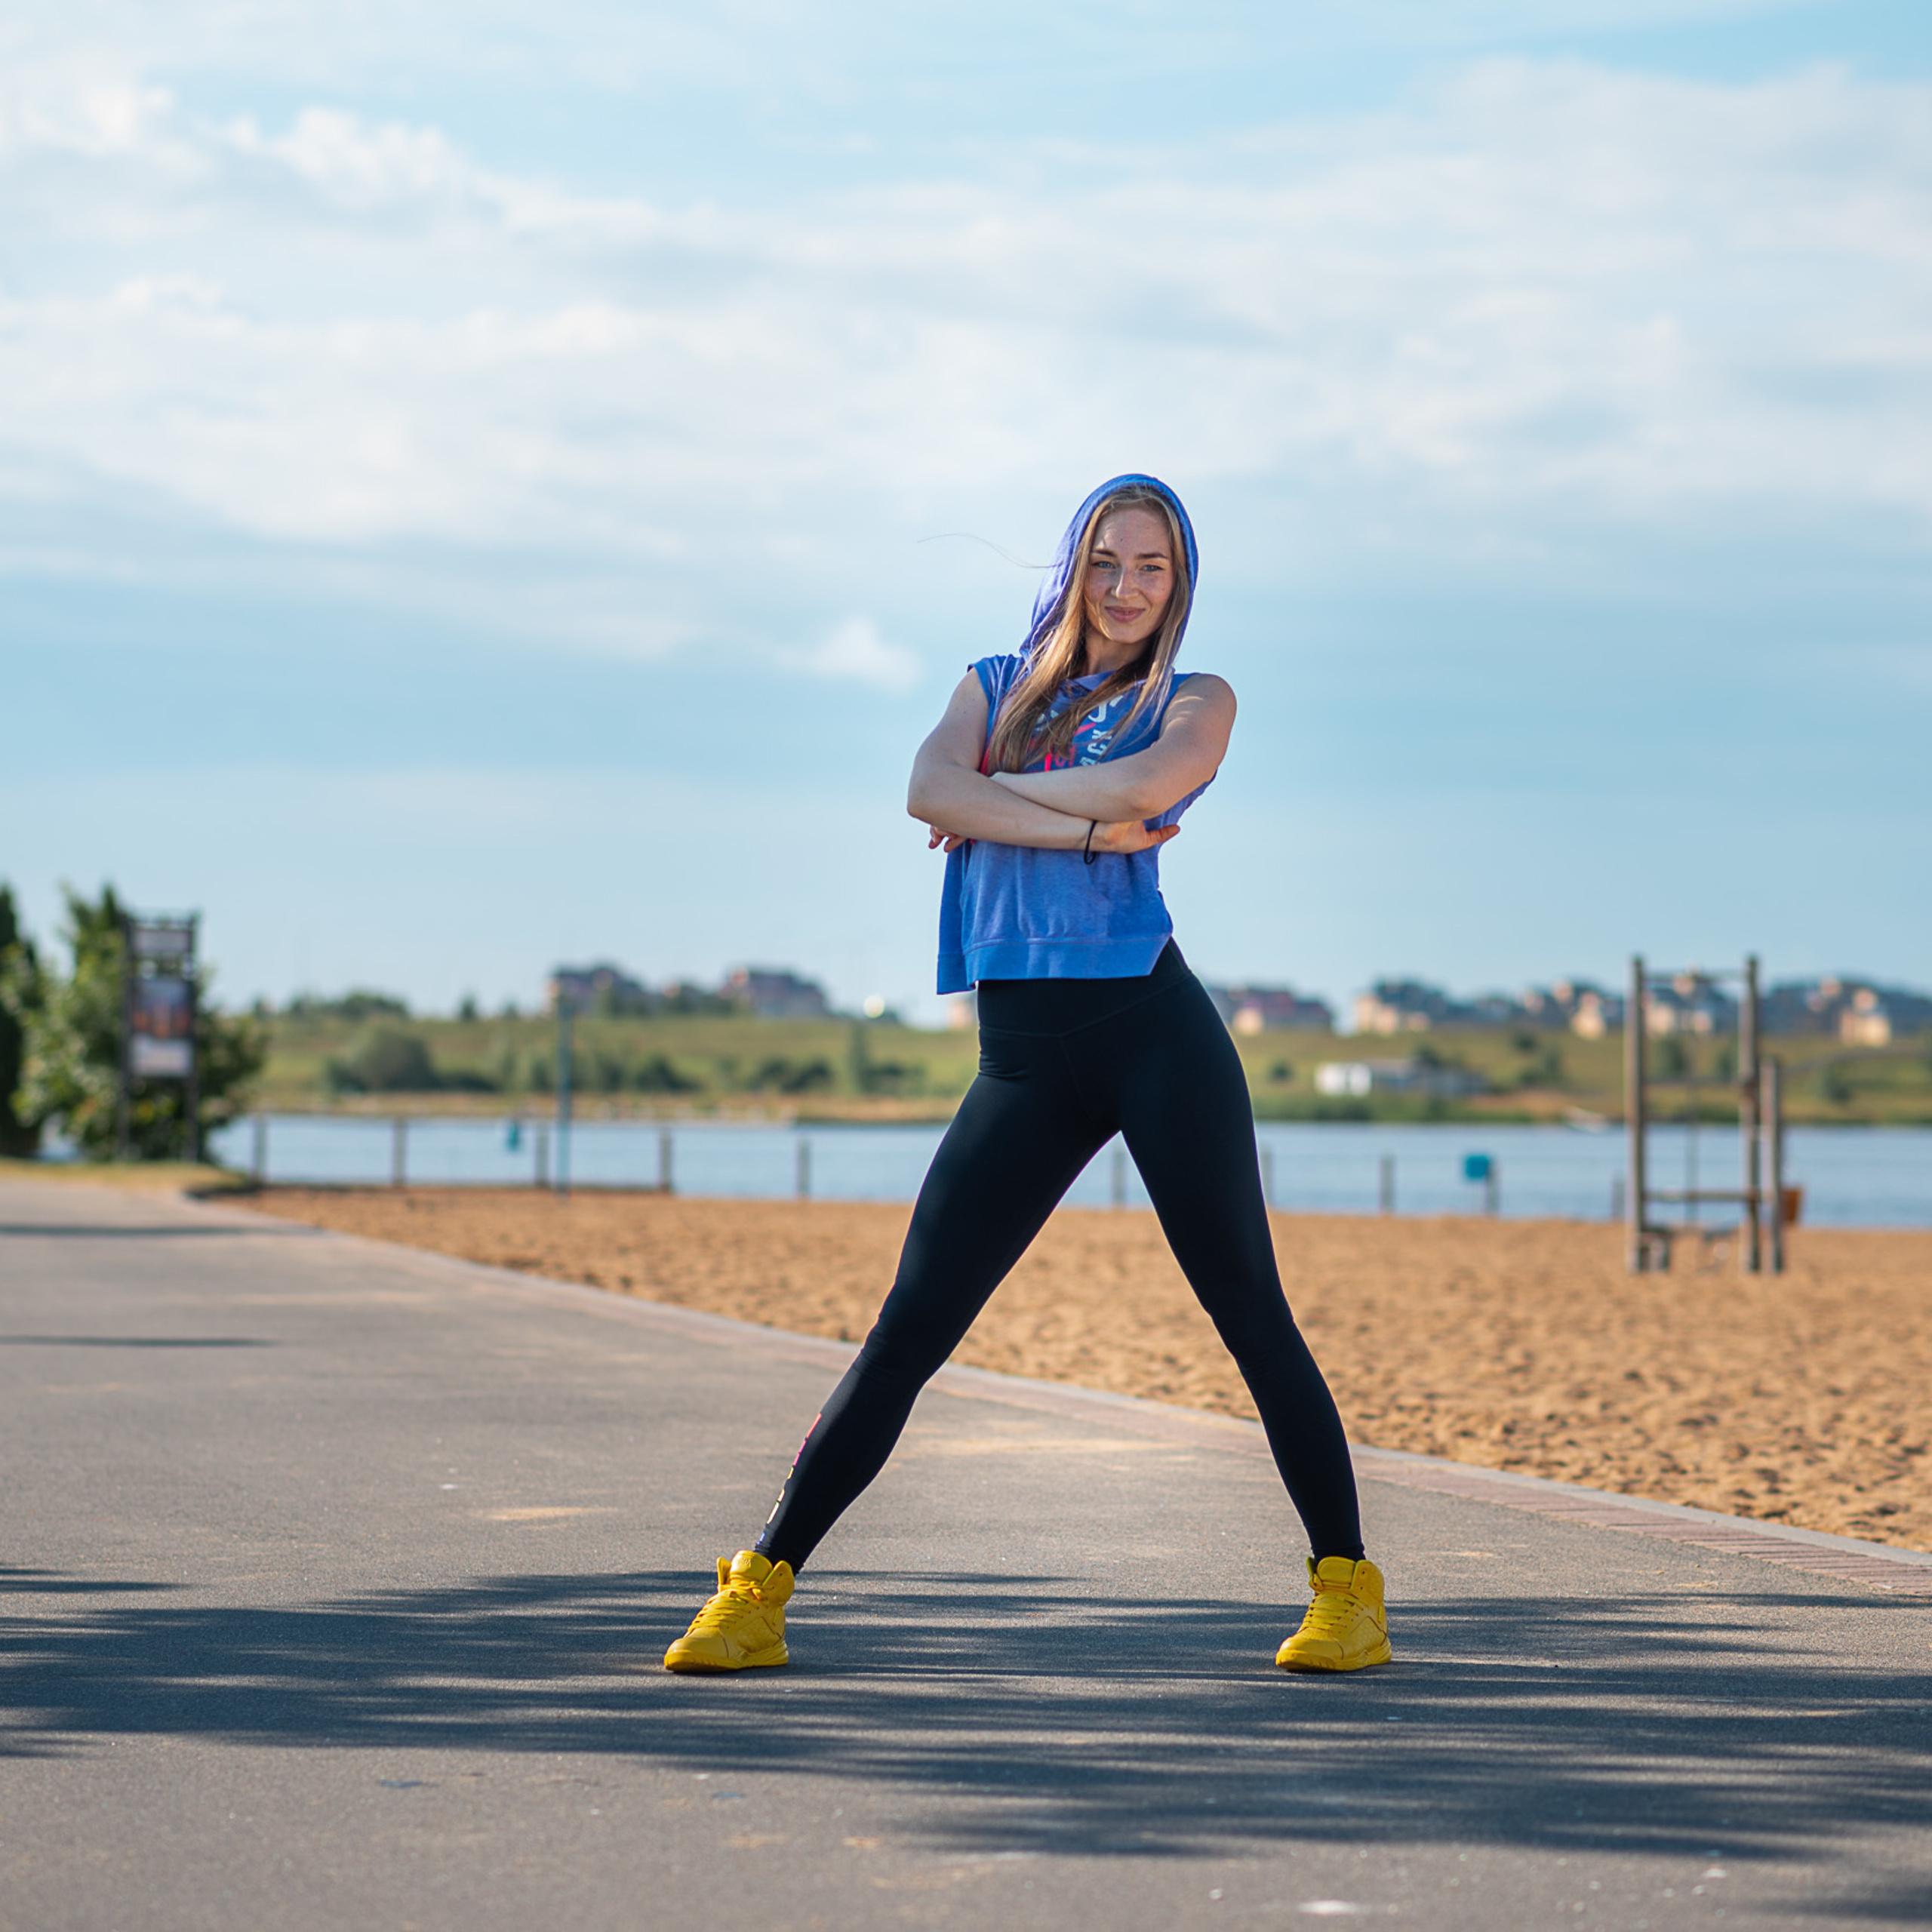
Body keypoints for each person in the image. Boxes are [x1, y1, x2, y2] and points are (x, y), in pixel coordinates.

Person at [664, 475, 1392, 1676]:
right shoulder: (991, 685)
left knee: (1250, 1316)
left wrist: (1002, 805)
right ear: (1072, 566)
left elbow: (1139, 791)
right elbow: (924, 788)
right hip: (1023, 1060)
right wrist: (1080, 827)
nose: (1126, 588)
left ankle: (1349, 1593)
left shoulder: (1194, 700)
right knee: (908, 1332)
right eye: (1107, 561)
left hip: (1155, 1035)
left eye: (1152, 568)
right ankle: (759, 1592)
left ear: (1180, 584)